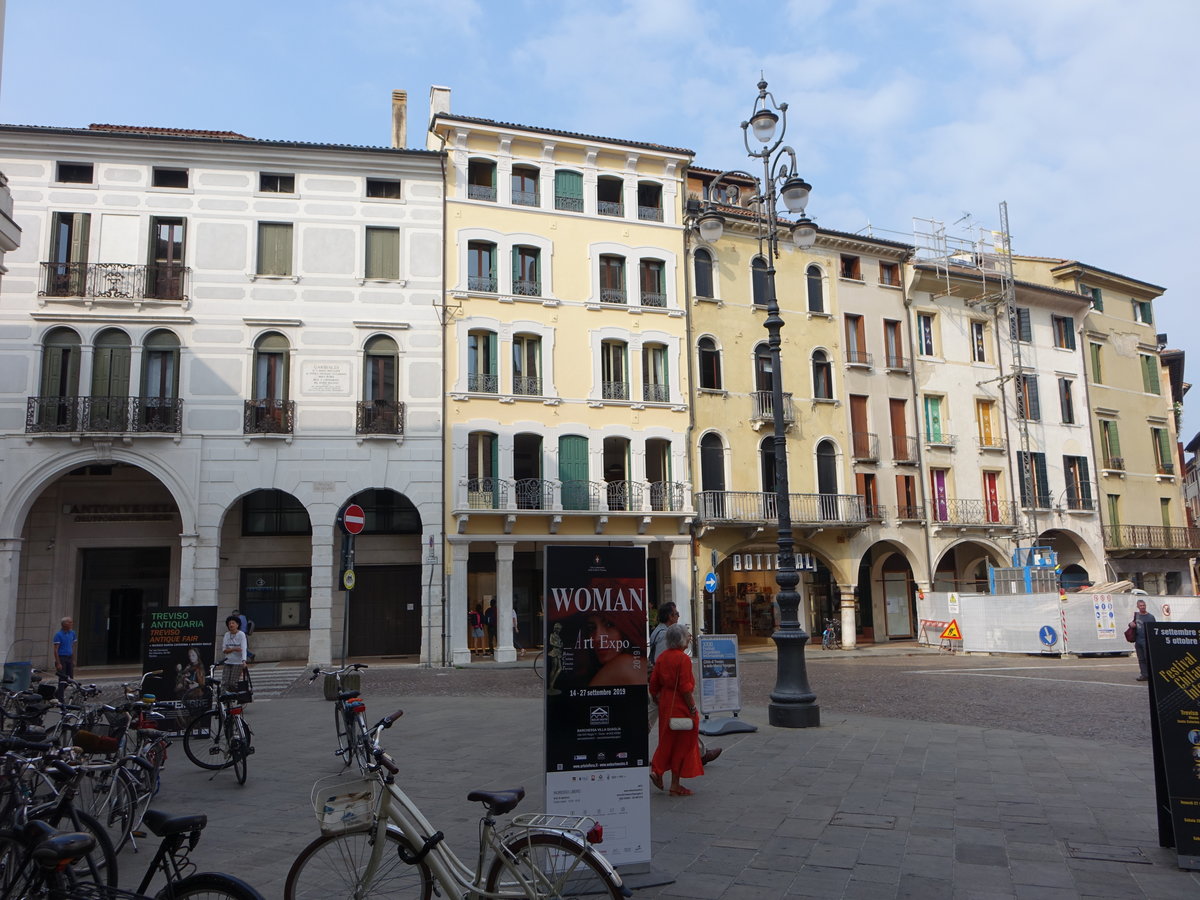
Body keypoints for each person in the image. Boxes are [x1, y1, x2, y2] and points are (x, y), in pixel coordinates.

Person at [648, 623, 704, 796]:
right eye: (687, 634)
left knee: (667, 740)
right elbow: (685, 688)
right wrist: (692, 708)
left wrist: (659, 698)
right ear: (680, 639)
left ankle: (660, 771)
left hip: (666, 703)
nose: (689, 637)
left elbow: (654, 684)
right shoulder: (683, 659)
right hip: (680, 706)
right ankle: (673, 782)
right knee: (681, 744)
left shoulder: (663, 657)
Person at [219, 615, 248, 692]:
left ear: (237, 625)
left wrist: (244, 660)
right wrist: (234, 649)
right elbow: (224, 650)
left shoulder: (241, 634)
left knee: (233, 682)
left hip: (237, 662)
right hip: (228, 661)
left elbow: (243, 648)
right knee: (224, 682)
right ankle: (224, 700)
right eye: (229, 624)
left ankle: (234, 697)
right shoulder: (226, 635)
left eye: (233, 623)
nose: (231, 625)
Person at [52, 616, 77, 702]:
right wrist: (58, 663)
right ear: (64, 624)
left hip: (69, 657)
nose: (71, 624)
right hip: (61, 657)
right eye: (69, 622)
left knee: (70, 679)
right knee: (62, 679)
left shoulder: (72, 633)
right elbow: (56, 650)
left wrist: (73, 659)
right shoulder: (58, 635)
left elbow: (72, 646)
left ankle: (56, 694)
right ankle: (60, 697)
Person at [1131, 598, 1156, 682]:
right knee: (1141, 658)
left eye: (1144, 605)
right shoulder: (1136, 615)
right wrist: (1131, 624)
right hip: (1138, 640)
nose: (1142, 607)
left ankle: (1151, 675)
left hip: (1147, 640)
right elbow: (1132, 624)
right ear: (1137, 606)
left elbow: (1154, 629)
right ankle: (1144, 674)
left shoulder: (1150, 617)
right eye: (1141, 606)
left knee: (1148, 658)